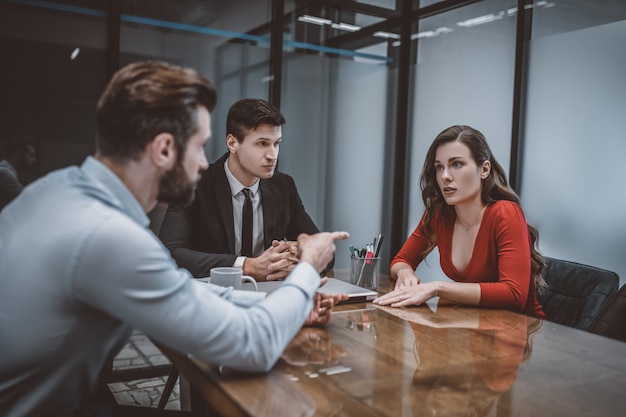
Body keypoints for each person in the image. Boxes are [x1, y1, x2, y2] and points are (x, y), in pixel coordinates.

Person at [0, 61, 348, 417]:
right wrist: (306, 271)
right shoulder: (108, 235)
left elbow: (178, 286)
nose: (202, 163)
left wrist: (283, 307)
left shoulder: (53, 191)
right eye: (199, 146)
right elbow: (253, 346)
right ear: (164, 149)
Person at [374, 125, 547, 319]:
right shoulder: (440, 215)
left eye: (456, 164)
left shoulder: (505, 213)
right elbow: (400, 261)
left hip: (524, 334)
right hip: (472, 329)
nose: (445, 176)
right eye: (439, 167)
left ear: (484, 169)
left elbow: (514, 294)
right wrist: (405, 275)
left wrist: (437, 288)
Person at [159, 98, 329, 282]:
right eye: (262, 143)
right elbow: (170, 253)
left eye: (276, 143)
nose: (273, 155)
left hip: (269, 297)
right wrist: (246, 266)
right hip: (212, 297)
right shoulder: (195, 184)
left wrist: (296, 257)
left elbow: (325, 253)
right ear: (232, 143)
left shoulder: (284, 186)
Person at [0, 137, 36, 211]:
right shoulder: (5, 174)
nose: (34, 160)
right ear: (18, 154)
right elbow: (29, 200)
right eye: (31, 155)